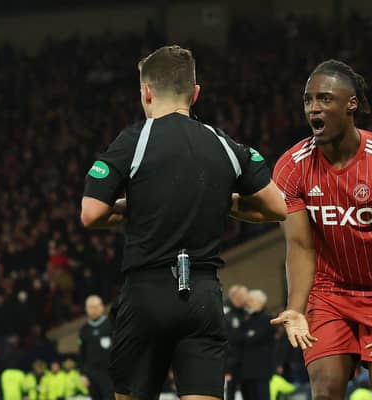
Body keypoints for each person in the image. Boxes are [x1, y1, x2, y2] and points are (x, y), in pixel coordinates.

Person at [80, 45, 287, 400]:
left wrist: (137, 207)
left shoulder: (135, 139)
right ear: (195, 94)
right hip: (203, 295)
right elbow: (278, 207)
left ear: (146, 91)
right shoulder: (223, 143)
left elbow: (91, 213)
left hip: (146, 293)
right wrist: (226, 203)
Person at [272, 59, 372, 399]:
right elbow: (300, 246)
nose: (313, 109)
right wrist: (295, 307)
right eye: (308, 100)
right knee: (325, 391)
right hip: (328, 293)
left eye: (324, 99)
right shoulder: (291, 168)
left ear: (350, 104)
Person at [239, 290, 275, 400]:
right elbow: (239, 336)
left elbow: (255, 337)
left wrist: (247, 335)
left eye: (250, 300)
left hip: (261, 370)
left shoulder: (267, 319)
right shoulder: (246, 318)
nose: (247, 303)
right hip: (246, 370)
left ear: (260, 302)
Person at [78, 295, 114, 400]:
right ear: (86, 309)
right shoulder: (84, 330)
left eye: (95, 306)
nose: (93, 310)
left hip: (110, 375)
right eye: (90, 307)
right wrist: (83, 374)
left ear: (102, 307)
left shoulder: (112, 325)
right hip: (92, 375)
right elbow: (81, 355)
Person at [223, 285, 249, 400]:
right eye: (245, 295)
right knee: (230, 391)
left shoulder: (244, 312)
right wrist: (226, 366)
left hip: (244, 360)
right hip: (230, 362)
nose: (247, 298)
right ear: (236, 297)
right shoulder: (225, 313)